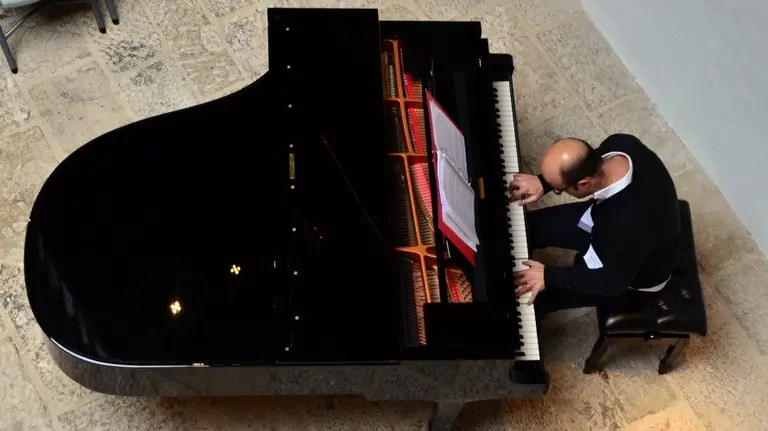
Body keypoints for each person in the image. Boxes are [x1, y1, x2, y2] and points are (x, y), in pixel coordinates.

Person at [509, 133, 681, 318]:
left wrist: (548, 276)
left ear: (584, 183)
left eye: (559, 189)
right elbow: (582, 165)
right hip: (608, 221)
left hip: (632, 277)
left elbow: (612, 282)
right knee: (530, 226)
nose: (556, 190)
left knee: (536, 298)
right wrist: (543, 182)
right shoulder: (620, 145)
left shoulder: (627, 223)